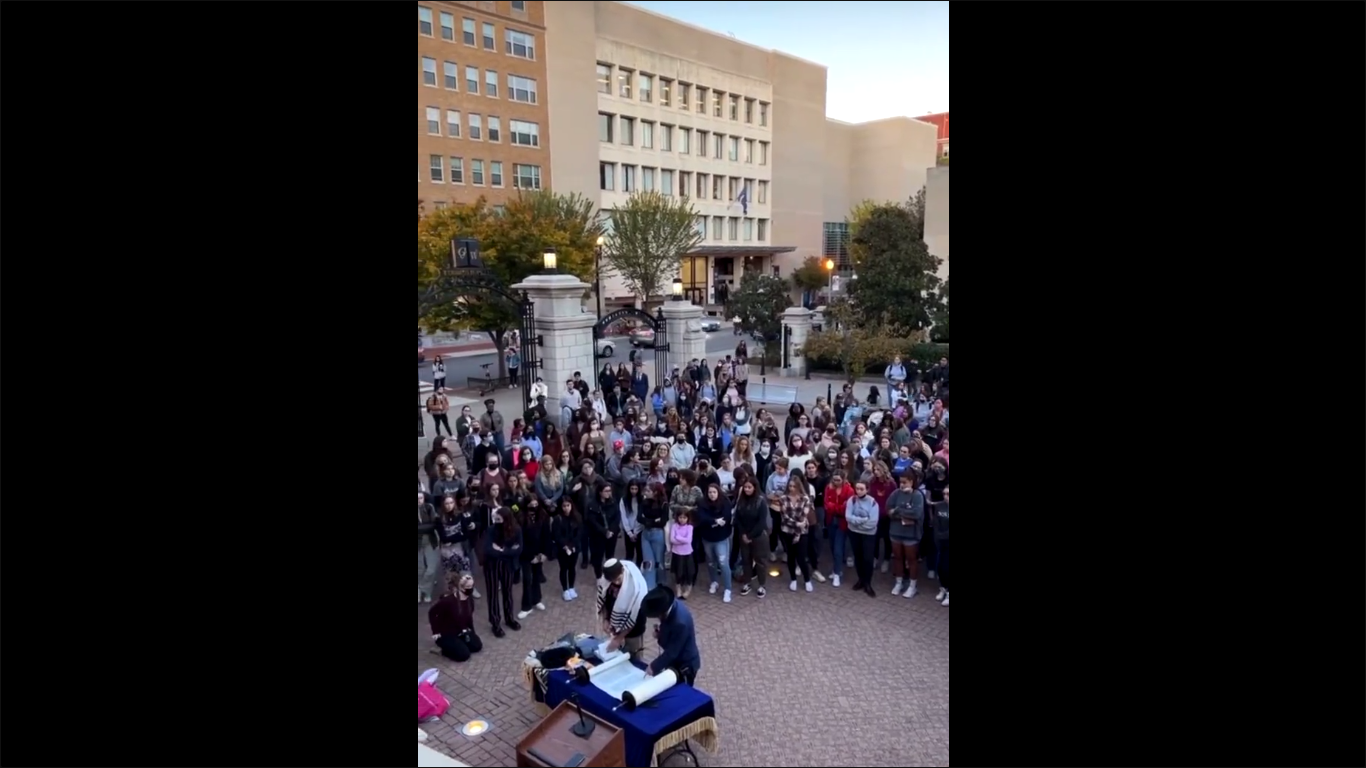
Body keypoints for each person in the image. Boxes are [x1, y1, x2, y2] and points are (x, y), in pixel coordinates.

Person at [641, 585, 701, 686]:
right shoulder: (670, 608)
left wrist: (654, 666)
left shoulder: (680, 623)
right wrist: (660, 634)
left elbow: (672, 651)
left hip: (685, 665)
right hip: (674, 661)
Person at [482, 503, 522, 636]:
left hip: (507, 565)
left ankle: (509, 618)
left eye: (500, 519)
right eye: (496, 519)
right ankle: (495, 622)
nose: (497, 522)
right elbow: (487, 549)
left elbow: (519, 549)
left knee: (508, 592)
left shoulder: (516, 530)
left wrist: (500, 550)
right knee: (492, 594)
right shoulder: (490, 530)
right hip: (492, 566)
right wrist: (507, 551)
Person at [596, 558, 648, 658]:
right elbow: (605, 600)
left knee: (634, 657)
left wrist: (619, 638)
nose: (616, 582)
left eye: (618, 579)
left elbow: (635, 617)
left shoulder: (636, 588)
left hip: (634, 631)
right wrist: (606, 619)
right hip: (616, 627)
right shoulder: (606, 582)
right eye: (613, 581)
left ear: (623, 571)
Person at [886, 469, 925, 599]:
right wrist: (903, 510)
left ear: (912, 482)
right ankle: (899, 582)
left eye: (905, 482)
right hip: (895, 532)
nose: (902, 484)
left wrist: (898, 511)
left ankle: (913, 586)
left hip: (911, 534)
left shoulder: (918, 495)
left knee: (911, 559)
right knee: (897, 558)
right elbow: (888, 510)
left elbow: (916, 514)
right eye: (900, 482)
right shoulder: (896, 493)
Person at [428, 572, 484, 662]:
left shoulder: (468, 599)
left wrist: (471, 632)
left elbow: (469, 618)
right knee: (463, 655)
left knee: (477, 646)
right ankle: (443, 649)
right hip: (447, 633)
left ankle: (458, 644)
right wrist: (436, 631)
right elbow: (432, 613)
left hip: (460, 630)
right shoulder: (447, 601)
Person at [694, 482, 734, 602]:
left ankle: (728, 588)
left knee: (723, 563)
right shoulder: (702, 503)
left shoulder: (725, 502)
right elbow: (701, 518)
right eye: (710, 492)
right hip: (707, 537)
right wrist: (715, 521)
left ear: (718, 492)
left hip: (721, 537)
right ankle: (714, 581)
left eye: (714, 492)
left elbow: (726, 517)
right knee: (711, 562)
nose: (712, 495)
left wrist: (712, 521)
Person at [732, 477, 770, 598]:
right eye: (745, 487)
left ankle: (762, 585)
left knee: (760, 561)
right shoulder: (741, 500)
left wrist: (750, 535)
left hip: (758, 536)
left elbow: (762, 521)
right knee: (746, 560)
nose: (747, 490)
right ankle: (747, 582)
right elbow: (737, 518)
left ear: (755, 488)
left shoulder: (760, 501)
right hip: (743, 535)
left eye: (750, 487)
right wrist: (743, 534)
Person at [516, 497, 552, 620]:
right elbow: (520, 540)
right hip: (526, 554)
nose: (534, 507)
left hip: (539, 553)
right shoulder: (520, 518)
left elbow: (546, 535)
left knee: (537, 576)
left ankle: (537, 599)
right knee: (527, 579)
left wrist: (544, 553)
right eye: (532, 505)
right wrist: (530, 556)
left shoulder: (543, 516)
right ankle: (526, 606)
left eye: (536, 504)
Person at [779, 474, 815, 592]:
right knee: (791, 556)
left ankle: (807, 579)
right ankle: (793, 579)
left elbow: (803, 518)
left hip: (802, 532)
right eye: (790, 486)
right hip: (787, 531)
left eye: (794, 486)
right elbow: (784, 517)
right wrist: (796, 525)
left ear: (799, 487)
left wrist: (798, 534)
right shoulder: (783, 499)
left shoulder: (805, 499)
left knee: (801, 557)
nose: (792, 488)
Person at [846, 480, 880, 597]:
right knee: (858, 556)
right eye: (857, 489)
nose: (859, 491)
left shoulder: (873, 503)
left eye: (862, 489)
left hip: (868, 534)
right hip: (854, 532)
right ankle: (860, 579)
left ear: (867, 489)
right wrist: (862, 520)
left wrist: (856, 521)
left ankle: (868, 583)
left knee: (868, 558)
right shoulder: (852, 500)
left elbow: (873, 522)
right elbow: (848, 517)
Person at [823, 470, 855, 587]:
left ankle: (837, 573)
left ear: (843, 479)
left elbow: (847, 507)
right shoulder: (828, 488)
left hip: (842, 522)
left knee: (838, 548)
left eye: (838, 480)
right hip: (831, 521)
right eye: (834, 480)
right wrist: (837, 507)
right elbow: (827, 504)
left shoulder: (849, 490)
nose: (836, 482)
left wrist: (834, 507)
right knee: (832, 546)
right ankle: (837, 568)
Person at [585, 481, 619, 579]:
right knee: (598, 557)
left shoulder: (613, 502)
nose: (609, 493)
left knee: (610, 555)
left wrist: (612, 530)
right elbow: (592, 521)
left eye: (610, 491)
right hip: (598, 535)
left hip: (612, 534)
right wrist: (605, 532)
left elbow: (616, 517)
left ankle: (610, 575)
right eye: (606, 491)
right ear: (600, 492)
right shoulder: (592, 504)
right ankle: (599, 576)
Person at [639, 481, 669, 590]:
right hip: (646, 533)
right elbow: (639, 518)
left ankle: (661, 582)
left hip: (658, 534)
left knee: (659, 561)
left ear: (655, 492)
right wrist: (653, 521)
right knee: (648, 561)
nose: (645, 493)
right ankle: (649, 586)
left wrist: (648, 520)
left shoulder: (663, 504)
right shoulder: (644, 502)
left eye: (648, 491)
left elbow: (663, 521)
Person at [552, 497, 582, 600]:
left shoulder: (577, 517)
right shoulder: (557, 519)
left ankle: (571, 587)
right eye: (564, 506)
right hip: (562, 549)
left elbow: (579, 533)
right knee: (564, 568)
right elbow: (557, 535)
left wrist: (573, 545)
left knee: (572, 568)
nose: (566, 508)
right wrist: (565, 546)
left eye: (568, 505)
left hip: (574, 548)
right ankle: (565, 589)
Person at [418, 491, 440, 603]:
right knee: (420, 568)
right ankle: (422, 592)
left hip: (430, 540)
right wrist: (425, 527)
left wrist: (420, 528)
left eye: (420, 498)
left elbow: (434, 524)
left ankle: (423, 589)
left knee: (431, 569)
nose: (419, 500)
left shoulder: (429, 507)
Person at [668, 508, 696, 598]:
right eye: (680, 517)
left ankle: (688, 589)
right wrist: (681, 540)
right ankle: (678, 589)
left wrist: (678, 537)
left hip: (687, 553)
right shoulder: (674, 526)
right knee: (678, 572)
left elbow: (688, 540)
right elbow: (672, 539)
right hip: (677, 553)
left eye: (684, 517)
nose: (682, 519)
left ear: (688, 518)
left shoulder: (690, 527)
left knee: (688, 572)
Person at [932, 485, 949, 606]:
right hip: (940, 541)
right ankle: (943, 588)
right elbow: (936, 523)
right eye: (944, 494)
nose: (945, 497)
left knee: (947, 567)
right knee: (940, 568)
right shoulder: (939, 506)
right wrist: (937, 536)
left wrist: (942, 536)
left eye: (948, 494)